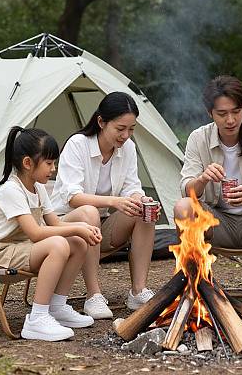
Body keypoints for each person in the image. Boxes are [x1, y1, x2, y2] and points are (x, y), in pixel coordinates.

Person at [175, 75, 242, 311]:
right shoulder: (199, 138)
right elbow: (186, 188)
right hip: (217, 222)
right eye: (222, 114)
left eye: (236, 112)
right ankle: (198, 283)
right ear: (210, 113)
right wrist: (204, 178)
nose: (230, 120)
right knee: (184, 206)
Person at [0, 126, 102, 341]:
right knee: (59, 244)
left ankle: (57, 306)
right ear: (28, 163)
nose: (53, 169)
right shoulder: (12, 190)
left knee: (77, 243)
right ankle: (37, 318)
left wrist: (80, 231)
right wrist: (78, 227)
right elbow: (36, 234)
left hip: (19, 248)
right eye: (49, 163)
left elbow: (54, 223)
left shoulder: (37, 188)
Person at [51, 91, 157, 320]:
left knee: (145, 212)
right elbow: (73, 197)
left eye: (131, 129)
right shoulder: (78, 144)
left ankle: (138, 291)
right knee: (89, 213)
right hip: (64, 224)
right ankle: (93, 295)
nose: (126, 135)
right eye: (120, 129)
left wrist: (140, 199)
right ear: (101, 122)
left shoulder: (127, 148)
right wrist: (113, 201)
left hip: (101, 224)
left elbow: (132, 186)